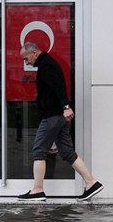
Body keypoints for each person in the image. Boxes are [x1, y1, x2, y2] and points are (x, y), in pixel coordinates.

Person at [17, 42, 103, 200]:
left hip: (53, 116)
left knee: (39, 151)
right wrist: (65, 108)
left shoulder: (46, 66)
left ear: (34, 52)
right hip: (59, 116)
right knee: (67, 152)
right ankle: (91, 183)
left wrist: (65, 106)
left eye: (26, 58)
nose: (26, 62)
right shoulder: (49, 63)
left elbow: (58, 87)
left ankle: (37, 190)